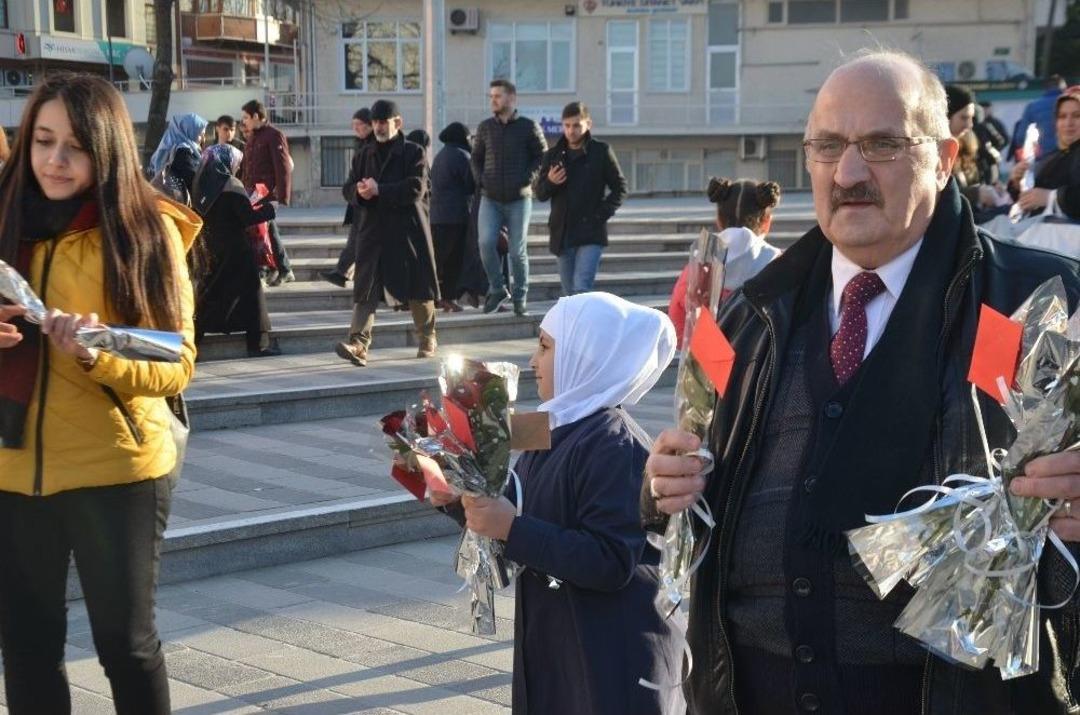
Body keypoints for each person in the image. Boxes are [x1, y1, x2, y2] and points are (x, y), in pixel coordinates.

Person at [641, 50, 1080, 714]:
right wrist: (660, 487)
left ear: (944, 154)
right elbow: (690, 471)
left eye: (881, 145)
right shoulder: (748, 315)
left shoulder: (1036, 301)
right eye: (827, 146)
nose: (847, 172)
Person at [0, 72, 201, 715]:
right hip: (10, 467)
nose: (54, 161)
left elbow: (176, 363)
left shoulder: (145, 230)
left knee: (126, 647)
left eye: (76, 147)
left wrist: (98, 351)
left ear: (108, 148)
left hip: (117, 469)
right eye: (43, 140)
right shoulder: (4, 218)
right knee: (27, 647)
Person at [435, 291, 684, 715]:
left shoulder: (614, 445)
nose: (533, 361)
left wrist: (510, 527)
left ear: (586, 357)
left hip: (609, 657)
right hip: (564, 642)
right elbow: (520, 507)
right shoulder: (554, 427)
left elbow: (609, 559)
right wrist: (457, 497)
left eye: (546, 347)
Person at [335, 99, 439, 367]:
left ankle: (427, 337)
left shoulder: (413, 152)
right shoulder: (363, 154)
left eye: (384, 122)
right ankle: (358, 344)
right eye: (376, 122)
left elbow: (416, 187)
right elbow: (347, 188)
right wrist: (358, 192)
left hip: (407, 232)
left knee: (418, 288)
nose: (379, 127)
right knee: (365, 289)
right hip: (372, 232)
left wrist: (380, 189)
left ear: (398, 123)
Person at [668, 177, 782, 347]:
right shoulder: (780, 265)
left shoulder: (698, 267)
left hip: (708, 368)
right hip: (765, 368)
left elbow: (677, 327)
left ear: (719, 220)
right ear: (766, 222)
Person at [190, 143, 279, 358]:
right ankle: (257, 344)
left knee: (209, 296)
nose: (238, 167)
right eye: (236, 163)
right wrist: (270, 209)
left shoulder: (201, 185)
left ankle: (193, 347)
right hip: (237, 251)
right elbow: (247, 217)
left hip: (211, 248)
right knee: (252, 293)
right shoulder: (232, 184)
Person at [533, 102, 627, 296]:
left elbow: (620, 187)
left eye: (576, 125)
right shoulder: (552, 155)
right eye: (567, 125)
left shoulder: (600, 151)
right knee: (569, 295)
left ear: (588, 124)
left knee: (582, 289)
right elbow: (540, 194)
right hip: (563, 233)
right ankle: (574, 327)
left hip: (591, 231)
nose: (571, 131)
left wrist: (601, 214)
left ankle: (583, 326)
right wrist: (550, 182)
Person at [472, 79, 547, 315]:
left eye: (498, 96)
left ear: (511, 98)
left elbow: (541, 155)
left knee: (517, 250)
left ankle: (520, 295)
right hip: (490, 197)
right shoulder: (485, 127)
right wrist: (481, 180)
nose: (493, 100)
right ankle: (497, 288)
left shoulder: (528, 126)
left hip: (519, 197)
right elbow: (476, 158)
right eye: (491, 96)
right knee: (485, 243)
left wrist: (528, 178)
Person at [239, 99, 294, 286]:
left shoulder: (274, 135)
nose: (244, 122)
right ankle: (283, 269)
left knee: (261, 231)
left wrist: (280, 196)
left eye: (246, 117)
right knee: (267, 230)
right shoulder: (253, 137)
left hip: (266, 194)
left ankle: (264, 270)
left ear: (256, 116)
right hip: (252, 193)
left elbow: (283, 166)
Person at [322, 107, 375, 288]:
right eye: (354, 125)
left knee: (357, 241)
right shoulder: (362, 145)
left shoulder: (372, 147)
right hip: (359, 201)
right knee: (355, 240)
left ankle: (343, 272)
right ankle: (342, 272)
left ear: (370, 125)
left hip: (367, 203)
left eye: (359, 125)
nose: (356, 129)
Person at [1009, 85, 1080, 220]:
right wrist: (1018, 183)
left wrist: (1052, 198)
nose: (1068, 123)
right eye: (1062, 116)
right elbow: (1032, 198)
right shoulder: (1054, 156)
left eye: (1077, 116)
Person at [430, 122, 476, 312]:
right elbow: (472, 184)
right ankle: (446, 297)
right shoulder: (462, 156)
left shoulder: (441, 155)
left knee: (439, 259)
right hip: (455, 216)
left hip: (438, 216)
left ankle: (436, 297)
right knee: (453, 260)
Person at [148, 112, 208, 197]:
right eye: (200, 134)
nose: (203, 139)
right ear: (188, 131)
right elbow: (192, 178)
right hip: (179, 203)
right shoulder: (183, 151)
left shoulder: (168, 146)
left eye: (203, 135)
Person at [1010, 74, 1066, 160]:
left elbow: (1020, 137)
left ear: (1046, 88)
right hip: (1067, 157)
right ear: (1064, 88)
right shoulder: (1071, 105)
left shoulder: (1032, 106)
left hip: (1042, 159)